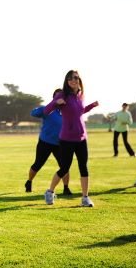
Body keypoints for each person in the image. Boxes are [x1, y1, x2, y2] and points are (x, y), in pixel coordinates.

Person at [43, 70, 99, 207]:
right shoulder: (63, 95)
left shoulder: (80, 95)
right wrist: (56, 102)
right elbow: (46, 111)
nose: (73, 80)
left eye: (75, 78)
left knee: (83, 167)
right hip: (67, 139)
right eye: (70, 79)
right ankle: (50, 192)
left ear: (79, 79)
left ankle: (85, 198)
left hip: (81, 138)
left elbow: (79, 111)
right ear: (67, 81)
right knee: (64, 168)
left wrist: (91, 106)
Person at [25, 89, 71, 195]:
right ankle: (29, 181)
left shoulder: (67, 112)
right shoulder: (48, 109)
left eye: (62, 96)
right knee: (38, 164)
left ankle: (66, 188)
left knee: (65, 166)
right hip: (45, 142)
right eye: (57, 97)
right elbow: (34, 113)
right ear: (54, 98)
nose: (60, 98)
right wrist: (53, 104)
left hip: (60, 144)